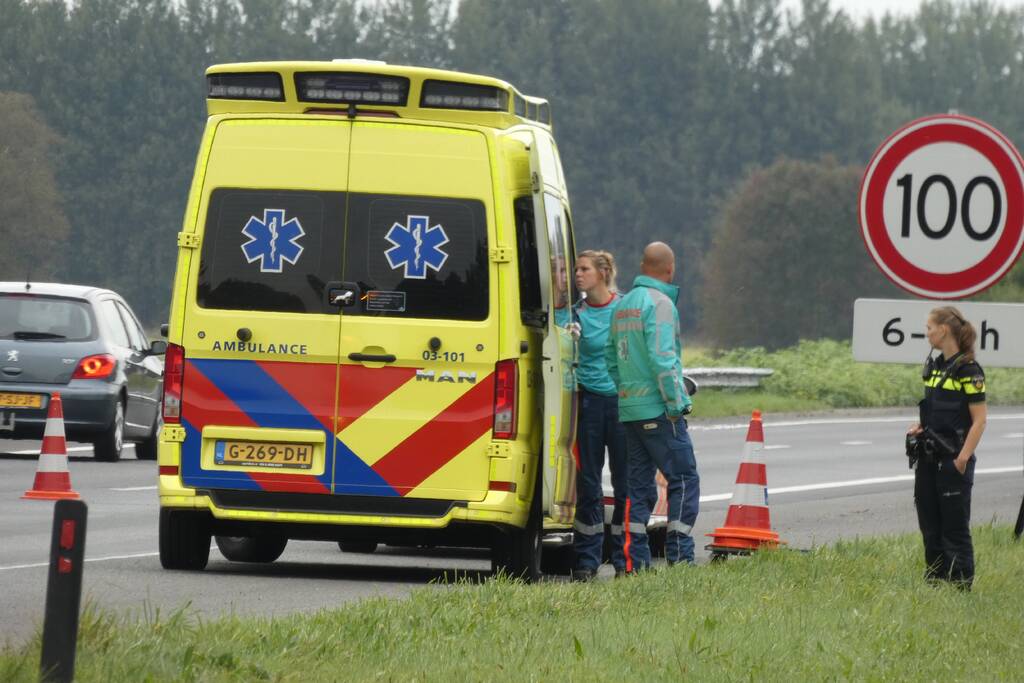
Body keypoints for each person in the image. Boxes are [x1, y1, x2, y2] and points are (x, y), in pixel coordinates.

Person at [605, 241, 699, 571]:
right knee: (684, 479)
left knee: (636, 488)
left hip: (630, 411)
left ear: (642, 266)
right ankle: (680, 557)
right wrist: (678, 404)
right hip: (660, 411)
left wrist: (628, 393)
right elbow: (664, 360)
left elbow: (610, 360)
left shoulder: (622, 305)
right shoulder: (660, 305)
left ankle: (630, 562)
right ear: (670, 270)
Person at [906, 306, 986, 590]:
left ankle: (961, 584)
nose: (926, 333)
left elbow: (979, 420)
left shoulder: (969, 369)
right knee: (929, 521)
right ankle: (936, 581)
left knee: (954, 526)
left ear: (944, 330)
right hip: (928, 457)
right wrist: (920, 427)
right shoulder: (936, 366)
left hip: (954, 459)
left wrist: (963, 458)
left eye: (929, 327)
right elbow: (937, 410)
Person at [569, 250, 628, 581]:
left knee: (625, 484)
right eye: (577, 269)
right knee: (589, 483)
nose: (578, 274)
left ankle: (623, 558)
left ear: (603, 273)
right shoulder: (574, 313)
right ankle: (587, 560)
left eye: (585, 269)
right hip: (588, 403)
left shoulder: (622, 309)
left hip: (620, 404)